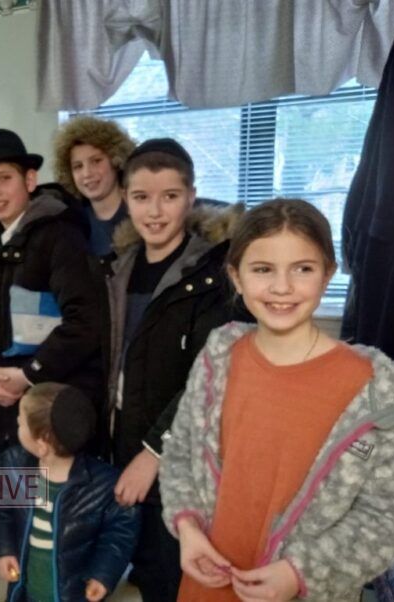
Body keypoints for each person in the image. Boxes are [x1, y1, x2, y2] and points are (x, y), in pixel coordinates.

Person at [160, 199, 394, 601]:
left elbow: (387, 515)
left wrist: (299, 572)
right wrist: (187, 526)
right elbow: (181, 453)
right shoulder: (219, 356)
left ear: (327, 274)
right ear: (236, 276)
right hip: (207, 585)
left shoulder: (377, 390)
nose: (282, 287)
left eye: (303, 269)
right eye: (262, 269)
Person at [103, 138, 245, 602]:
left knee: (171, 567)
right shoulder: (114, 270)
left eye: (170, 196)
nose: (155, 211)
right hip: (119, 431)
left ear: (191, 197)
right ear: (125, 199)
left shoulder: (214, 278)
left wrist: (154, 452)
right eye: (141, 197)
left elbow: (211, 380)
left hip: (176, 448)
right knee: (137, 552)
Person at [0, 128, 105, 455]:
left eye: (4, 178)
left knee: (45, 490)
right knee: (10, 488)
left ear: (29, 180)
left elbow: (85, 322)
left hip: (53, 415)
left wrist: (28, 375)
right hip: (4, 415)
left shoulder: (61, 238)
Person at [0, 382, 140, 602]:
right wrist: (4, 550)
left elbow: (119, 534)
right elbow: (1, 513)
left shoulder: (105, 485)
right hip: (25, 588)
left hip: (72, 593)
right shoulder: (12, 465)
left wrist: (102, 575)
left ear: (42, 445)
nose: (17, 424)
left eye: (20, 423)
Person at [53, 115, 136, 256]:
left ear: (116, 160)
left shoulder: (140, 212)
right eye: (78, 166)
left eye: (96, 161)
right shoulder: (69, 222)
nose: (87, 173)